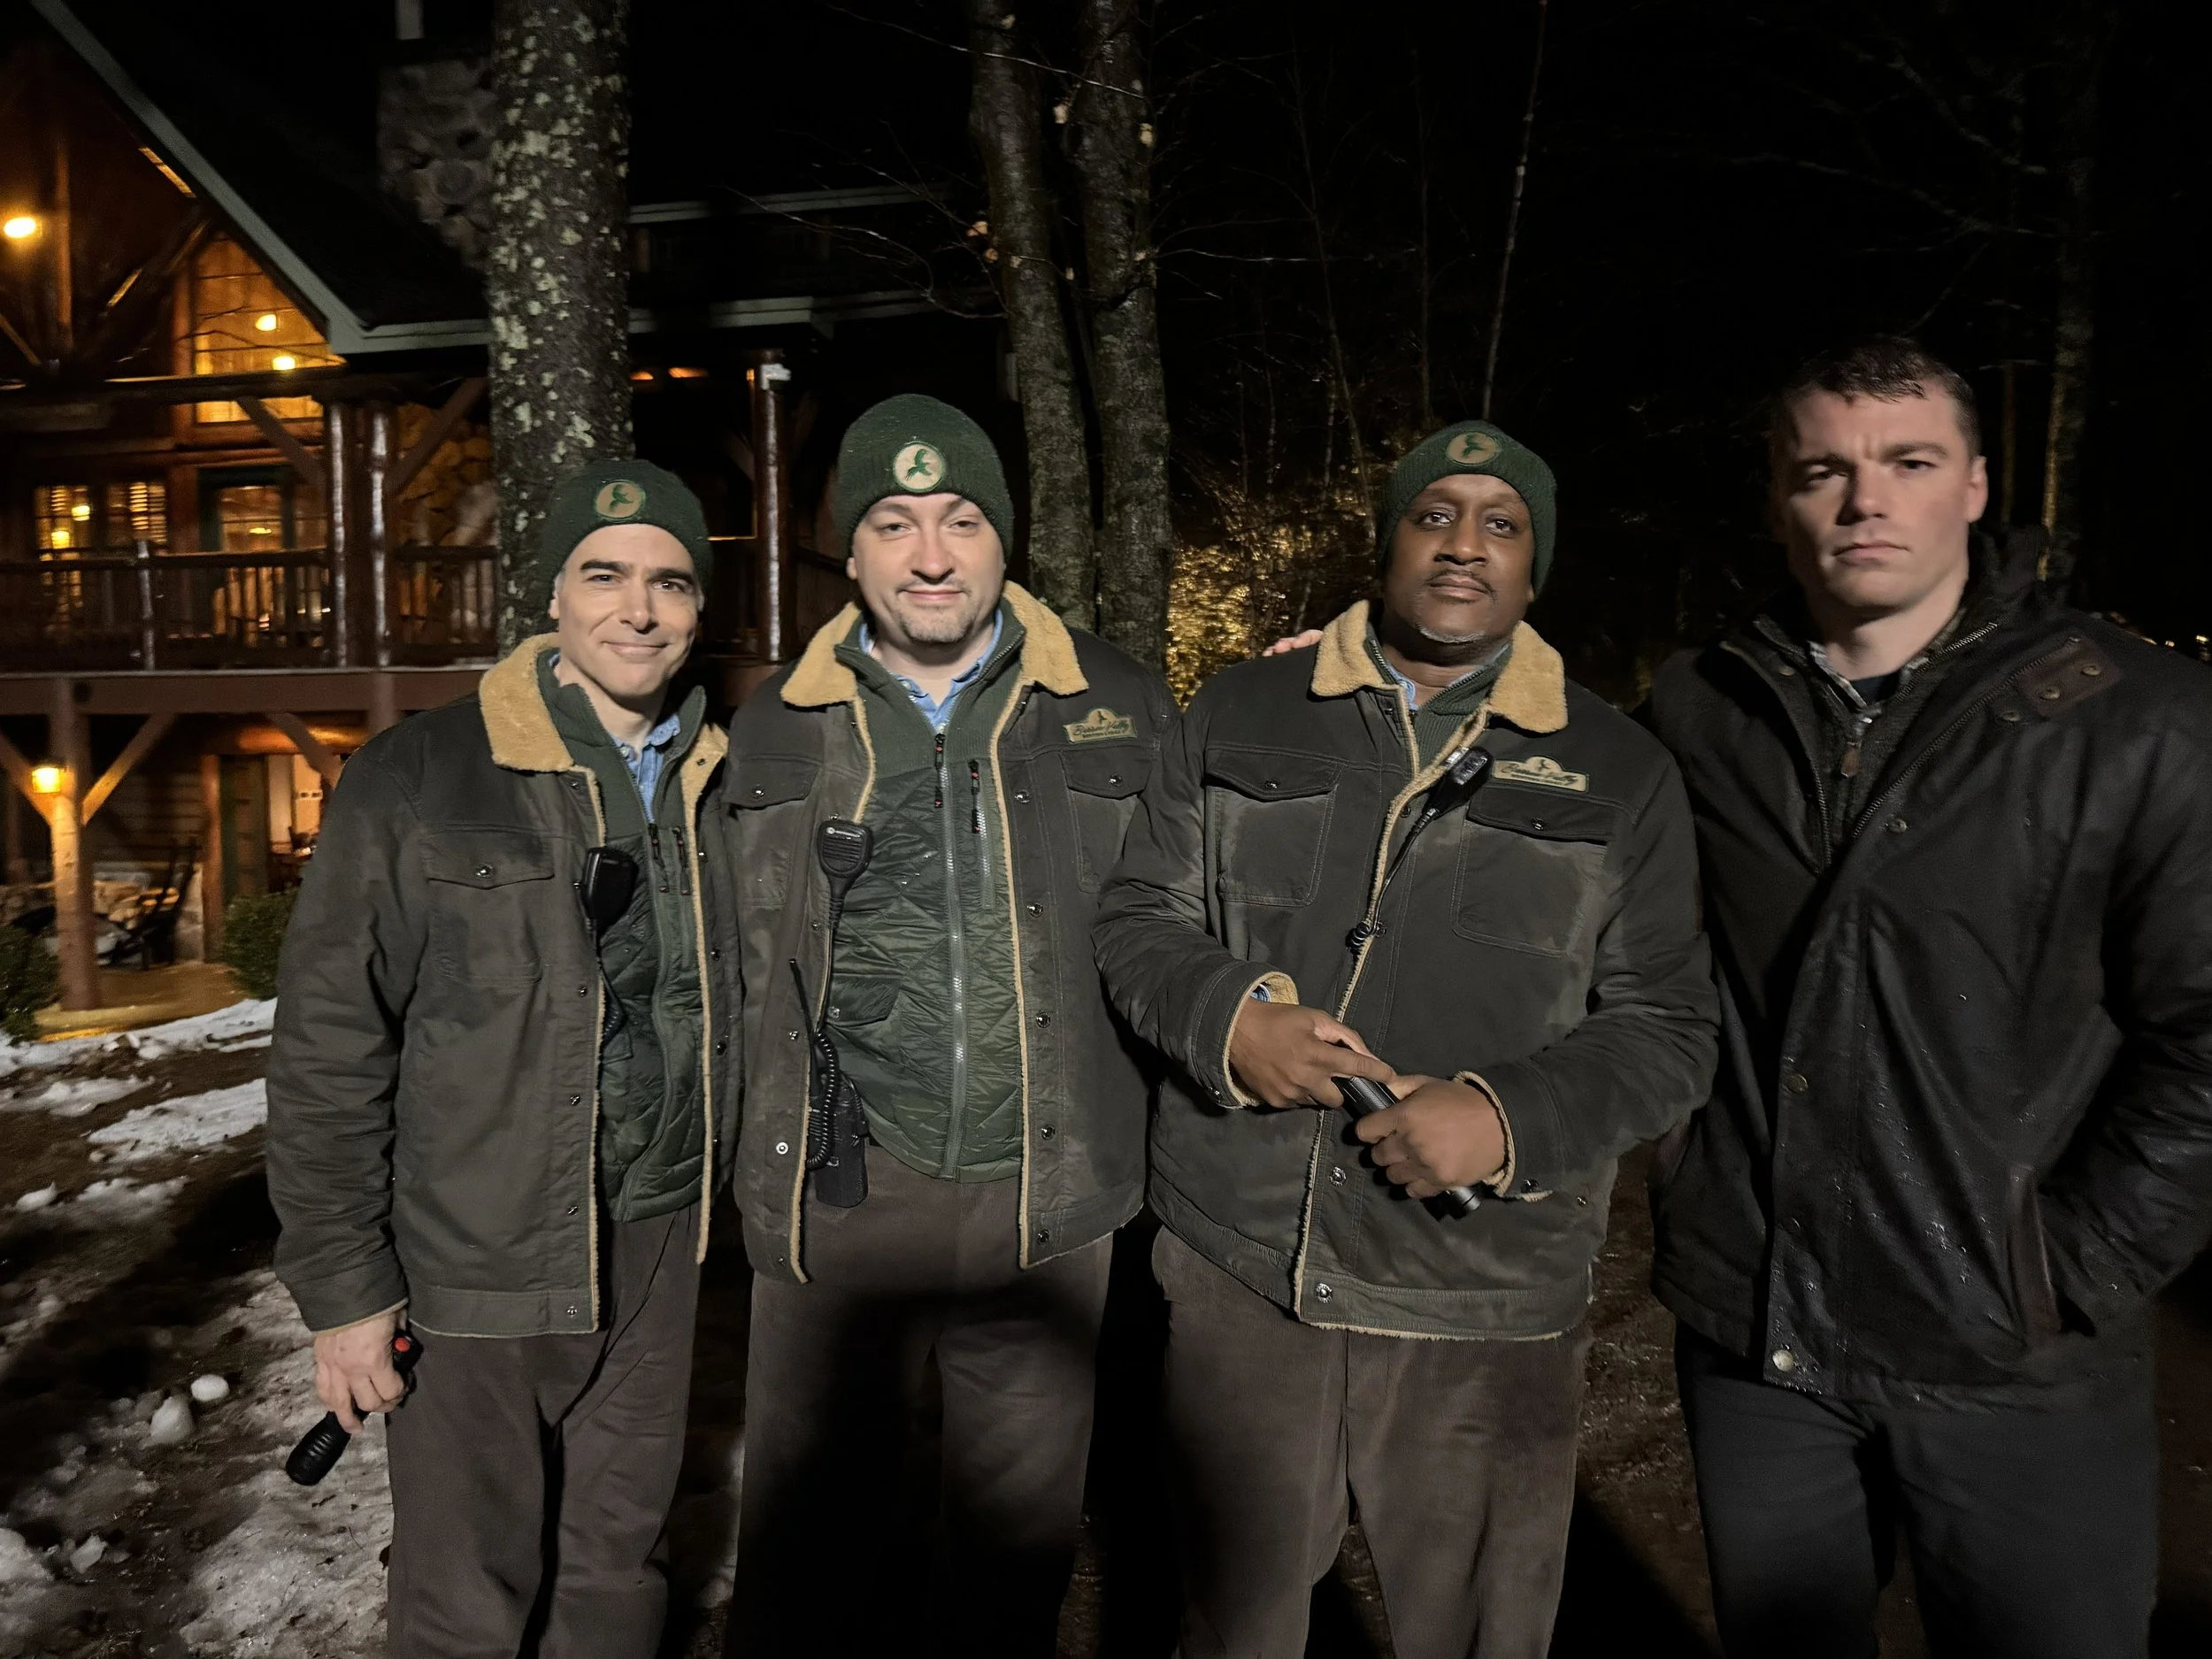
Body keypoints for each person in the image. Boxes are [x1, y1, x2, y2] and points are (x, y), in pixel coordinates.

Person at [1093, 421, 1718, 1659]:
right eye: (1435, 515)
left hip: (1479, 1290)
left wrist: (1507, 1117)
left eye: (1502, 524)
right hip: (1243, 1268)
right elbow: (1136, 915)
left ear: (1534, 570)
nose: (1464, 546)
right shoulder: (1241, 709)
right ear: (1388, 546)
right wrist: (1229, 1020)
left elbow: (1670, 1025)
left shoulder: (1621, 769)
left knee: (1479, 1631)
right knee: (1231, 1622)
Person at [1644, 335, 2212, 1659]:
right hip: (1759, 1334)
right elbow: (1559, 827)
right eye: (1822, 471)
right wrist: (1372, 681)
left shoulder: (2140, 720)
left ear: (1975, 485)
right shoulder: (1701, 707)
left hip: (2014, 1356)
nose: (1865, 500)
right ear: (1777, 498)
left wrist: (2069, 1270)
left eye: (1908, 462)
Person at [718, 395, 1175, 1658]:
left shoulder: (1120, 703)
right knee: (807, 1567)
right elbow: (727, 963)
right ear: (849, 552)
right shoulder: (775, 723)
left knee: (1011, 1566)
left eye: (961, 520)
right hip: (840, 1198)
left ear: (1002, 537)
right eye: (894, 523)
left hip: (1051, 1196)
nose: (931, 555)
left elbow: (1198, 910)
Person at [265, 460, 733, 1658]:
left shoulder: (724, 779)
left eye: (671, 581)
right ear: (553, 595)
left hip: (656, 1243)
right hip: (475, 1262)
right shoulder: (420, 775)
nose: (639, 609)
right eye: (605, 575)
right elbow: (329, 1042)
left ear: (697, 606)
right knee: (464, 1599)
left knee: (618, 1570)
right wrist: (346, 1288)